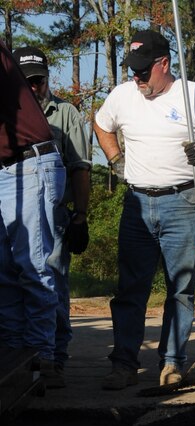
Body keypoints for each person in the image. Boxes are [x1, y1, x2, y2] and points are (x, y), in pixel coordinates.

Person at [94, 30, 195, 390]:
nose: (137, 79)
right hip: (138, 204)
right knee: (131, 287)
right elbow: (100, 123)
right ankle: (124, 364)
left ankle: (172, 362)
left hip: (184, 202)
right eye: (133, 71)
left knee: (180, 288)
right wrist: (115, 158)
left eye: (144, 71)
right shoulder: (123, 95)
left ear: (164, 64)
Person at [13, 46, 92, 388]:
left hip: (55, 215)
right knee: (15, 285)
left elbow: (81, 168)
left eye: (39, 81)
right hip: (15, 213)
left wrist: (81, 215)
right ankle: (20, 356)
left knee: (53, 282)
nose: (34, 88)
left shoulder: (65, 114)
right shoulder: (8, 114)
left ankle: (54, 358)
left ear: (46, 79)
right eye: (26, 82)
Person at [0, 40, 66, 385]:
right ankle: (15, 358)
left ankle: (44, 358)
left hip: (28, 164)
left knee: (32, 266)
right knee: (5, 271)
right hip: (7, 169)